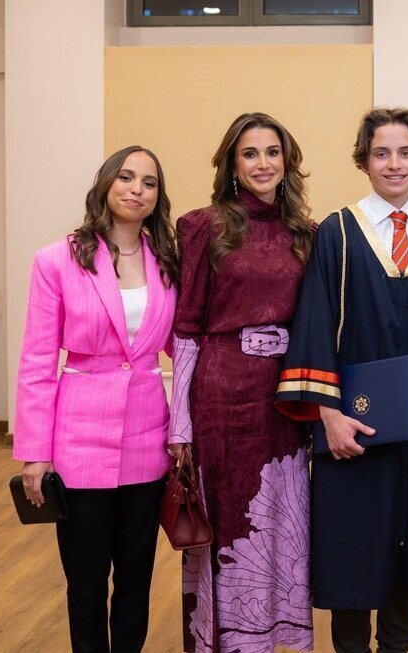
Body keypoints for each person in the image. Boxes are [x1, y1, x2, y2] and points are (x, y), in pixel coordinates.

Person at [276, 107, 408, 653]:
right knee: (352, 552)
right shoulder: (336, 232)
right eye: (381, 153)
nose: (394, 164)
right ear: (364, 161)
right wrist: (328, 418)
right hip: (352, 430)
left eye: (405, 152)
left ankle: (397, 647)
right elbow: (313, 326)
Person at [14, 145, 179, 652]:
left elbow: (188, 351)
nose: (137, 189)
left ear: (158, 197)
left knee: (135, 580)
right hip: (78, 439)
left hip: (147, 441)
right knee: (86, 585)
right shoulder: (56, 260)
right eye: (127, 178)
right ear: (106, 184)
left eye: (149, 183)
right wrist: (35, 453)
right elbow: (38, 362)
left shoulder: (169, 262)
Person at [168, 112, 315, 652]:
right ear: (232, 163)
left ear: (287, 160)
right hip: (220, 395)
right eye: (249, 153)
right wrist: (179, 423)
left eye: (272, 152)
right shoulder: (203, 225)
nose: (262, 163)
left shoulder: (306, 233)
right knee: (230, 518)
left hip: (285, 400)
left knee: (284, 517)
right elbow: (185, 328)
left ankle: (281, 635)